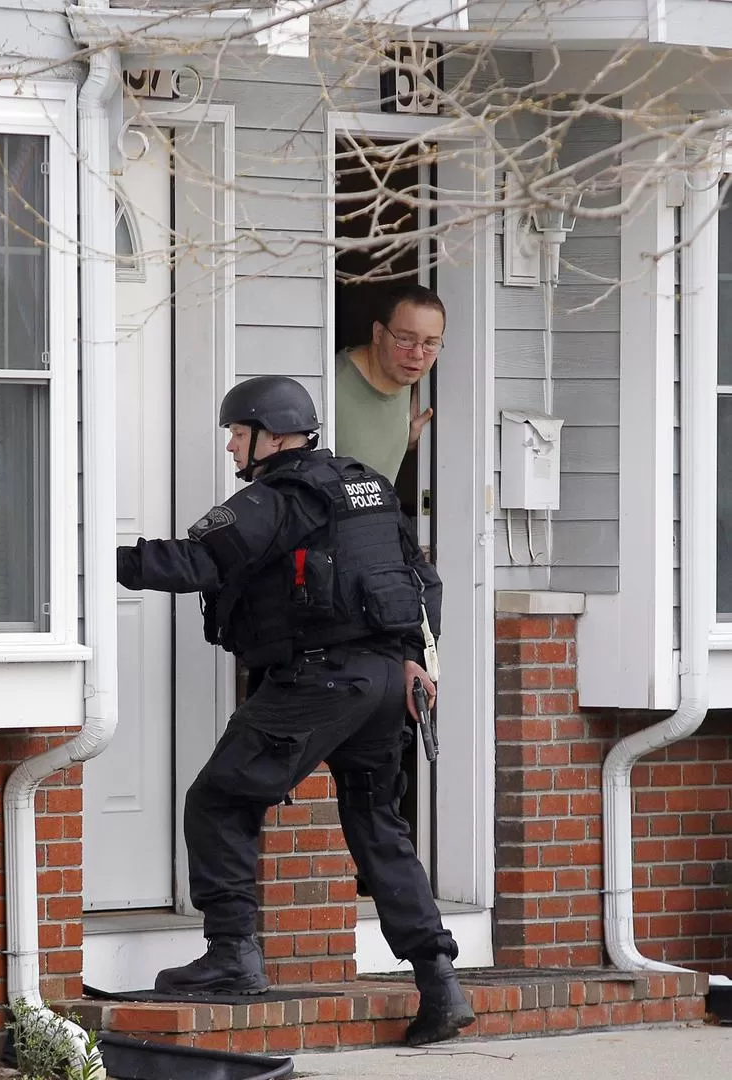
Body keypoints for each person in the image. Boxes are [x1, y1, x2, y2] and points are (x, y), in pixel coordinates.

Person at [116, 375, 474, 1047]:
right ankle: (439, 981)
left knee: (218, 801)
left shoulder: (280, 496)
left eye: (236, 432)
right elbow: (417, 578)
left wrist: (94, 560)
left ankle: (231, 954)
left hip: (321, 679)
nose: (229, 445)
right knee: (376, 822)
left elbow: (199, 561)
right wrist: (410, 656)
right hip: (385, 678)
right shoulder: (362, 485)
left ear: (271, 434)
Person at [335, 284, 445, 484]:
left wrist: (407, 439)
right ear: (378, 333)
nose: (418, 355)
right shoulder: (332, 386)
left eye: (430, 343)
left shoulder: (407, 377)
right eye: (405, 339)